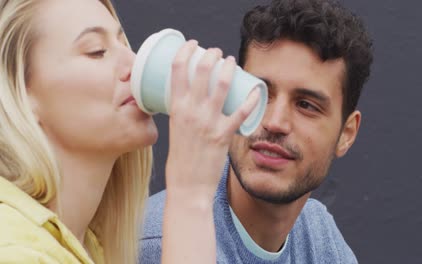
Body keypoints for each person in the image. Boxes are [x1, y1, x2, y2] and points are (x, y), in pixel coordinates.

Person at [0, 0, 258, 263]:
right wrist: (190, 195)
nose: (134, 65)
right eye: (96, 51)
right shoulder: (13, 249)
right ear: (20, 91)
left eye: (124, 45)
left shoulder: (90, 246)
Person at [140, 0, 374, 263]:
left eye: (306, 105)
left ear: (346, 134)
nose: (275, 122)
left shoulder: (319, 235)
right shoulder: (162, 245)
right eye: (260, 93)